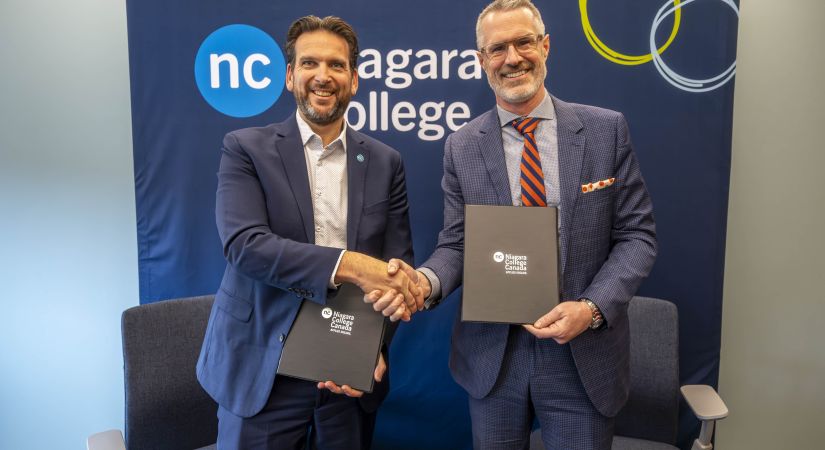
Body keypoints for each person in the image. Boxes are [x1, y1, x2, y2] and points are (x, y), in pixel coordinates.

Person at [370, 0, 657, 448]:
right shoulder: (461, 146)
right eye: (498, 48)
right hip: (494, 359)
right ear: (482, 61)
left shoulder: (606, 130)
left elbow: (637, 237)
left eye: (524, 42)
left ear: (546, 46)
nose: (513, 58)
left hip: (580, 353)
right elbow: (457, 244)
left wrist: (591, 309)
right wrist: (424, 283)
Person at [196, 15, 422, 450]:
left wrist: (368, 345)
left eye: (337, 65)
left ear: (354, 80)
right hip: (263, 368)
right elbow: (245, 246)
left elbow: (397, 268)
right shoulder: (245, 148)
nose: (323, 76)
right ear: (289, 76)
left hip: (346, 375)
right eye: (309, 63)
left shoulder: (385, 161)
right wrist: (351, 265)